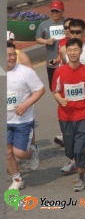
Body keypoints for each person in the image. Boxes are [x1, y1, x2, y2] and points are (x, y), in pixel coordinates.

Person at [52, 38, 85, 192]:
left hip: (84, 114)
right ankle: (74, 159)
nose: (73, 53)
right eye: (70, 50)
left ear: (81, 52)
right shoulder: (59, 72)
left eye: (76, 50)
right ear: (66, 52)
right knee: (70, 149)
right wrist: (60, 99)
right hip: (66, 115)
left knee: (80, 147)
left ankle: (80, 176)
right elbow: (55, 91)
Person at [7, 41, 45, 191]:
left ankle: (32, 152)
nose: (10, 58)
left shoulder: (25, 72)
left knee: (20, 153)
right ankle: (17, 179)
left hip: (23, 119)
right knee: (7, 152)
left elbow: (40, 90)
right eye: (7, 55)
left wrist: (25, 104)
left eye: (12, 54)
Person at [35, 0, 66, 89]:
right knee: (54, 88)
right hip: (52, 61)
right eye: (53, 11)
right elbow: (38, 39)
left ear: (62, 11)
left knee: (67, 84)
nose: (55, 13)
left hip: (66, 60)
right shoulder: (44, 24)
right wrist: (46, 41)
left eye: (57, 11)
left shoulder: (67, 22)